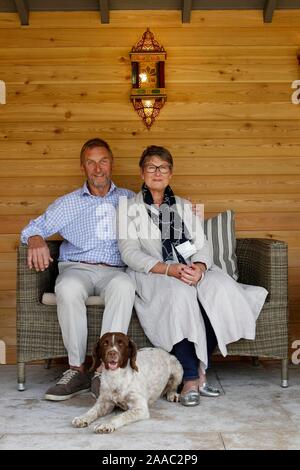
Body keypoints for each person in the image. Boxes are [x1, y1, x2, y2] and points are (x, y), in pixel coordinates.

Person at [117, 145, 268, 407]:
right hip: (154, 272)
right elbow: (129, 252)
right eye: (151, 167)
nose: (157, 172)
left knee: (220, 287)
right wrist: (168, 269)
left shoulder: (184, 206)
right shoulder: (129, 208)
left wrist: (198, 267)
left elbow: (203, 245)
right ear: (142, 173)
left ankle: (200, 369)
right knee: (179, 293)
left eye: (163, 167)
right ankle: (189, 377)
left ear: (170, 174)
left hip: (189, 268)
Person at [21, 138, 135, 401]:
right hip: (77, 268)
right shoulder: (69, 203)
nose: (98, 168)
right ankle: (76, 369)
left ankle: (106, 372)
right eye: (91, 162)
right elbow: (33, 228)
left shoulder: (129, 199)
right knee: (67, 287)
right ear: (82, 167)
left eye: (103, 161)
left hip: (115, 271)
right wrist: (36, 239)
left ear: (112, 164)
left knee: (125, 286)